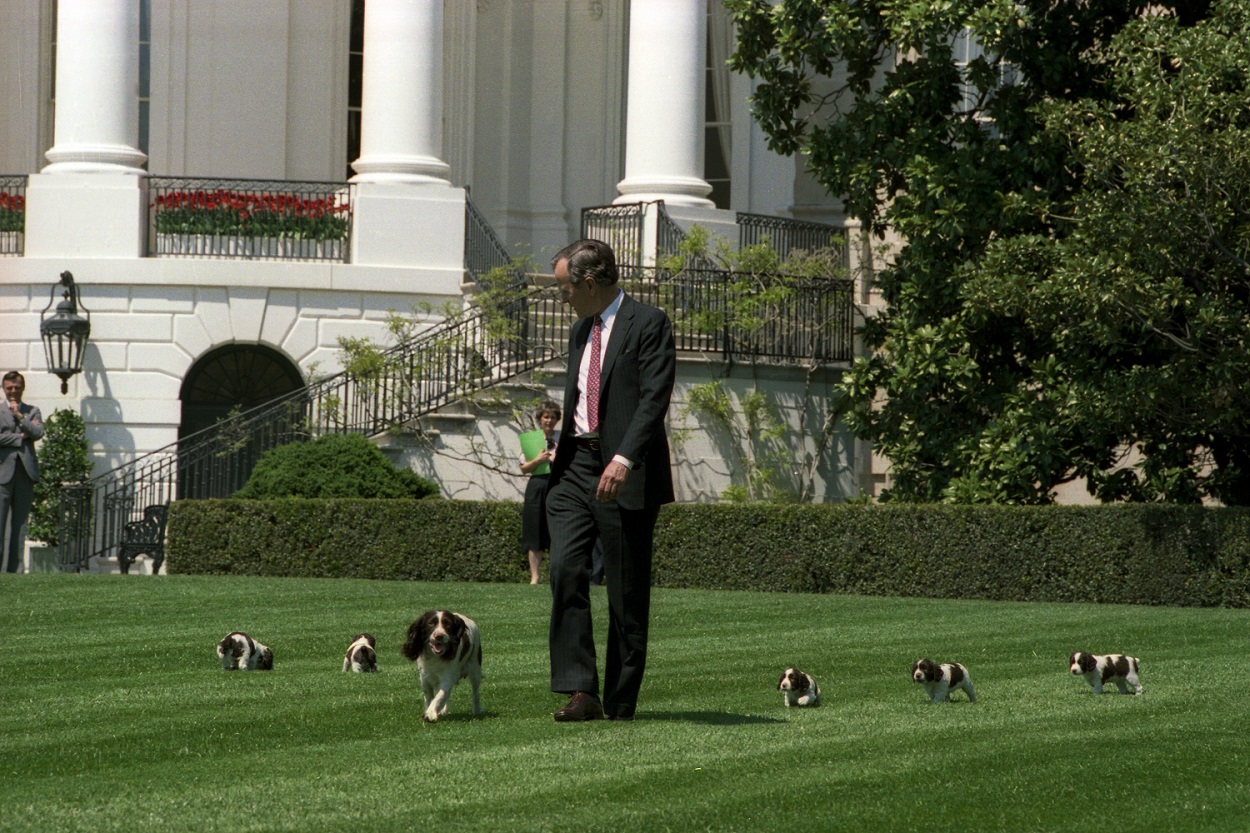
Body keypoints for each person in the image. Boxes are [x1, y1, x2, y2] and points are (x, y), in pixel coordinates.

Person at [545, 239, 676, 722]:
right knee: (565, 571)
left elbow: (653, 397)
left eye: (565, 289)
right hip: (574, 470)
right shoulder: (582, 331)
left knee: (625, 593)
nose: (563, 299)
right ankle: (581, 691)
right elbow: (582, 394)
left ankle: (620, 703)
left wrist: (623, 458)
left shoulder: (650, 323)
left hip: (625, 474)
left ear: (589, 282)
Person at [1, 371, 44, 573]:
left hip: (25, 473)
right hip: (2, 474)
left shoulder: (32, 410)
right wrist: (20, 437)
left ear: (22, 388)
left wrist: (19, 415)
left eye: (17, 387)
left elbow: (37, 433)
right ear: (3, 389)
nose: (13, 391)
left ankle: (15, 571)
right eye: (9, 388)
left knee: (20, 525)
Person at [519, 400, 561, 584]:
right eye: (546, 417)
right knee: (534, 531)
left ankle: (557, 575)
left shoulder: (564, 438)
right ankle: (534, 577)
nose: (549, 421)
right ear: (540, 419)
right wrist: (538, 460)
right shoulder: (531, 439)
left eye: (552, 417)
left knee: (558, 531)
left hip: (558, 484)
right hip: (537, 485)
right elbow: (524, 468)